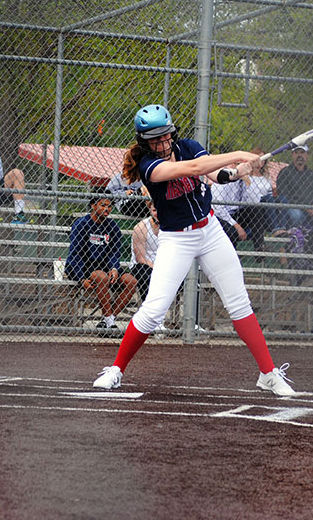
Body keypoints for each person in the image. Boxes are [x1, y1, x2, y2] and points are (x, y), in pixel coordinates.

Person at [91, 104, 296, 396]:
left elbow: (216, 176)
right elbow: (196, 168)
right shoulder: (149, 166)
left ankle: (268, 374)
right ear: (144, 142)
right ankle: (115, 370)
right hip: (176, 239)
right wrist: (239, 154)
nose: (161, 143)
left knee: (238, 303)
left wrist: (241, 170)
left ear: (173, 133)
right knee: (153, 311)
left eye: (165, 136)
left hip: (209, 231)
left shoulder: (188, 146)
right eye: (154, 139)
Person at [66, 192, 138, 336]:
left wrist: (114, 268)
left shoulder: (113, 227)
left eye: (109, 206)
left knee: (131, 281)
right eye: (103, 205)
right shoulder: (82, 224)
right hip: (84, 267)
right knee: (101, 277)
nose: (107, 209)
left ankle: (108, 320)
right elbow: (75, 254)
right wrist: (81, 278)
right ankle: (109, 323)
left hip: (105, 268)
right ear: (93, 206)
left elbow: (114, 253)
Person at [130, 196, 160, 302]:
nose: (158, 213)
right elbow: (140, 259)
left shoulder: (172, 227)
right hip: (143, 266)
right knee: (147, 276)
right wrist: (157, 268)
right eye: (155, 210)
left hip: (163, 264)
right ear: (150, 209)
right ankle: (149, 308)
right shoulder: (141, 227)